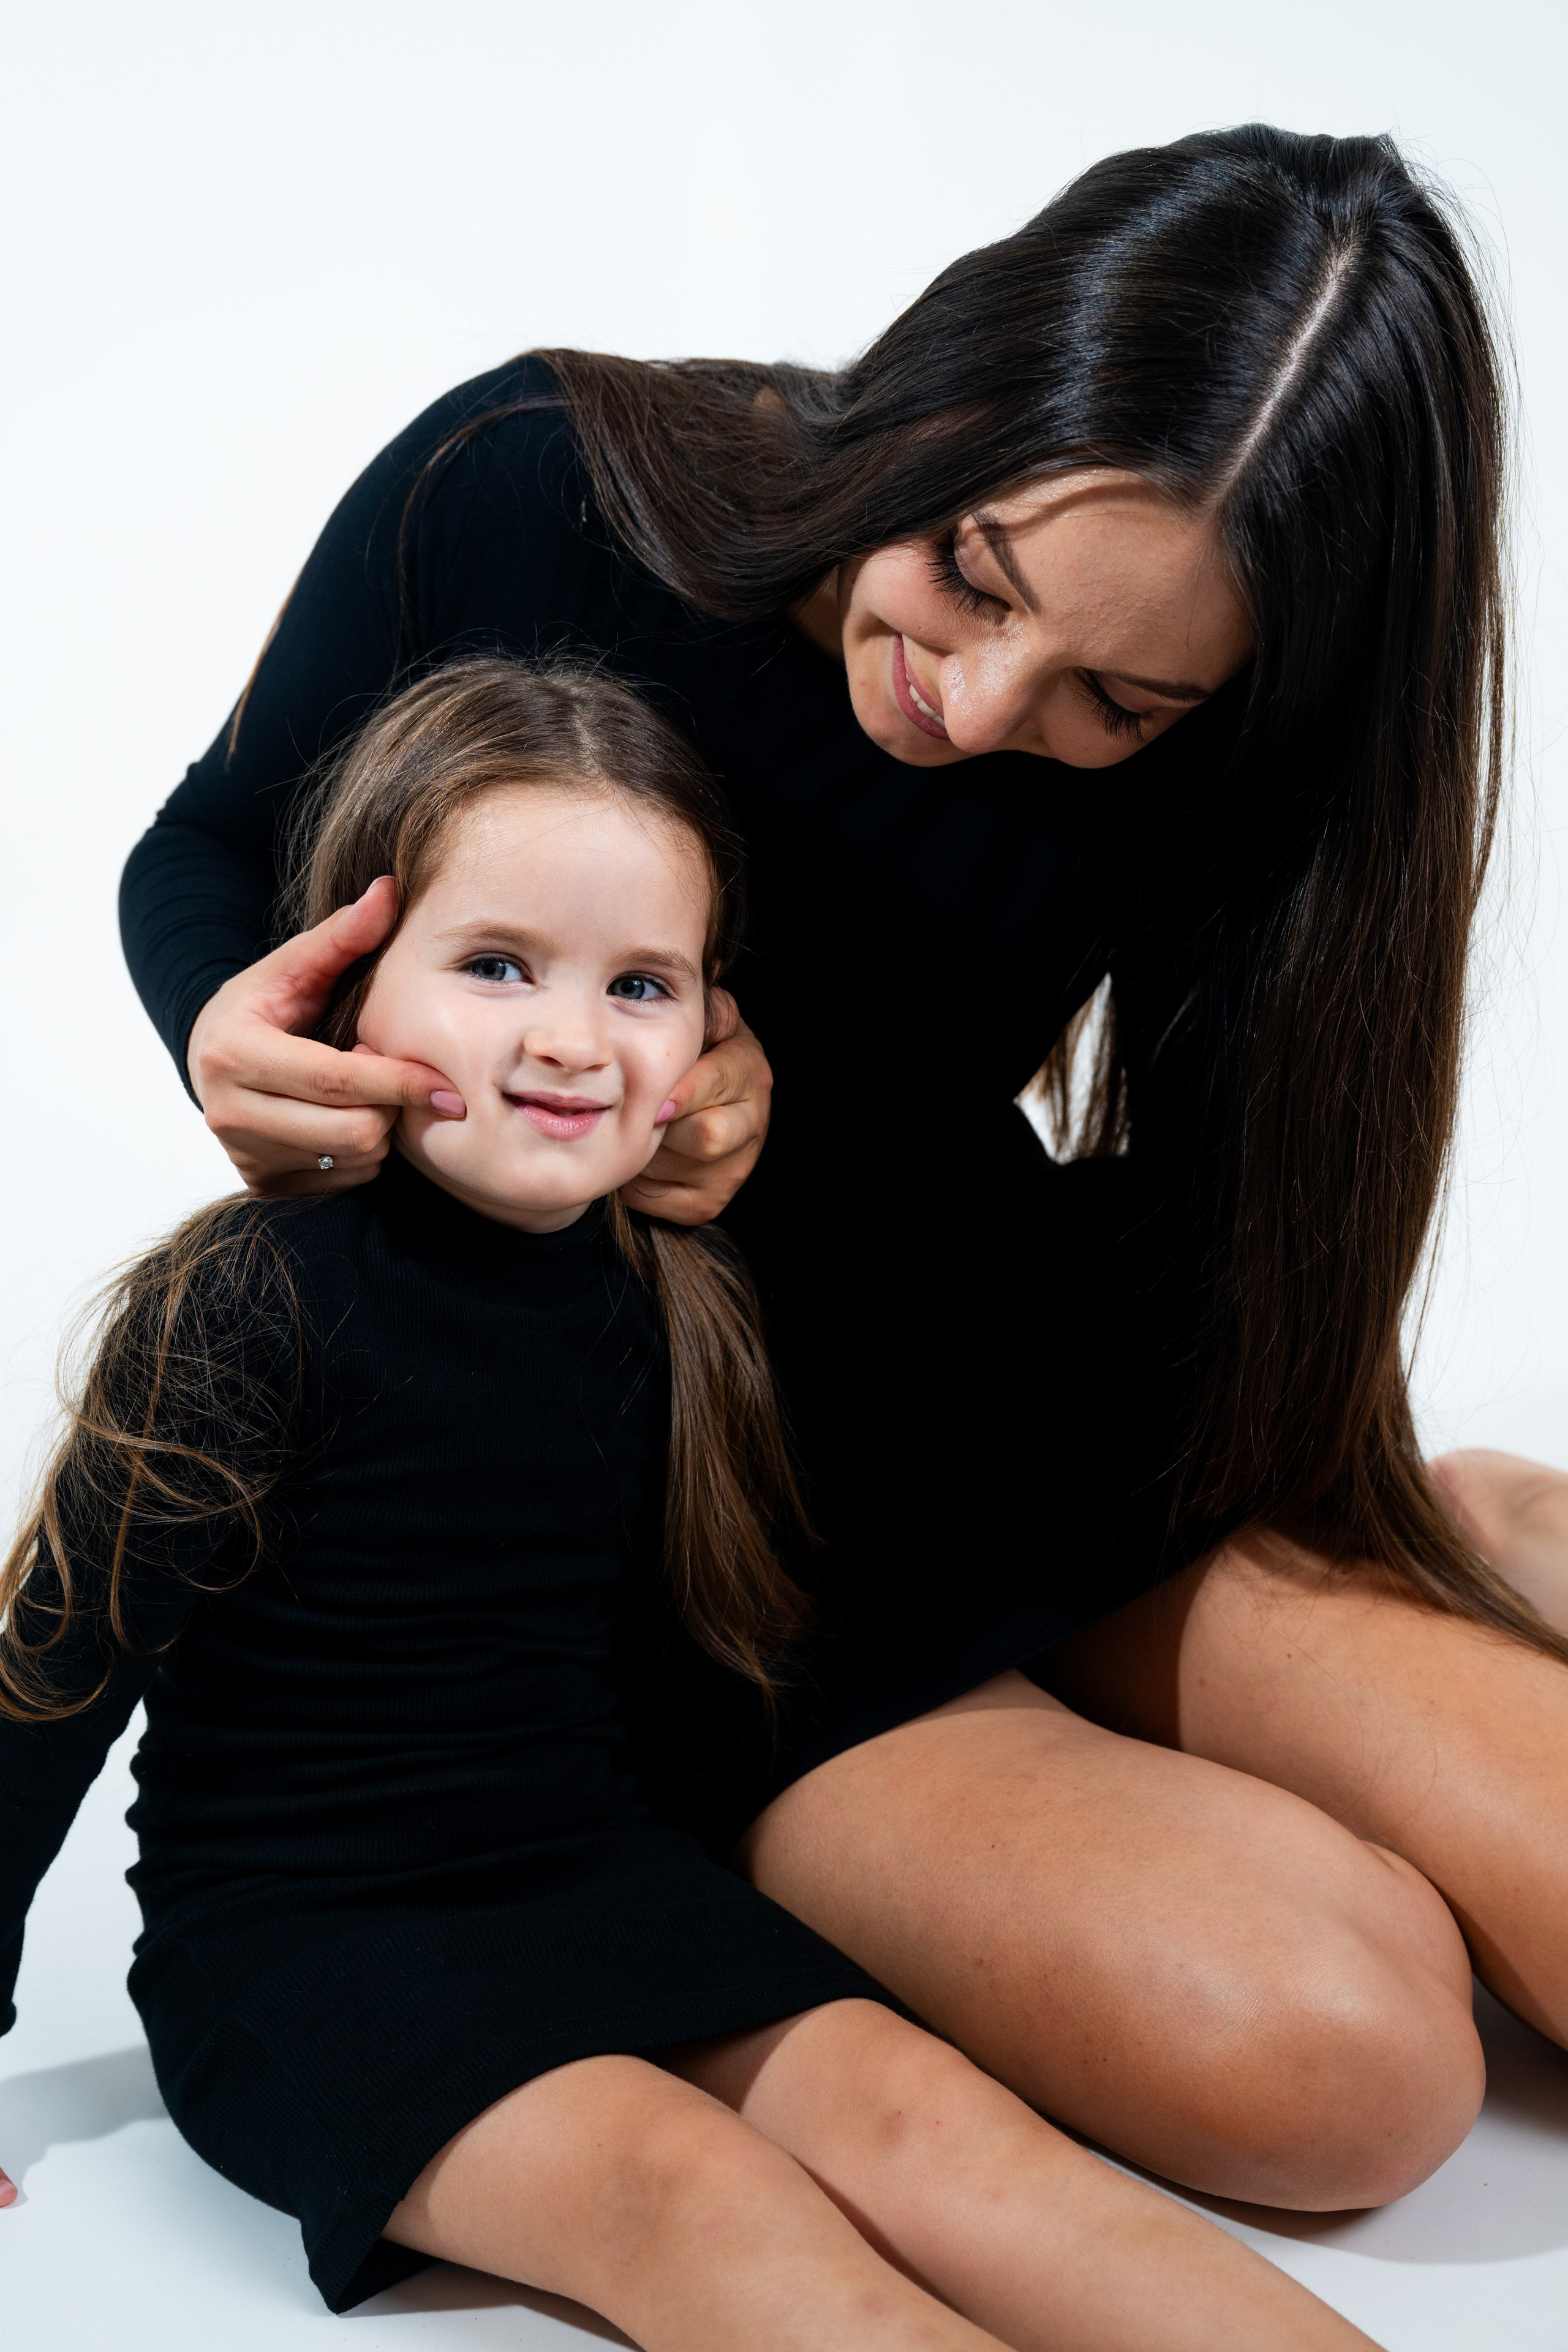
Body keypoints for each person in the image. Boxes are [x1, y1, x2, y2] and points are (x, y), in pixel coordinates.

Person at [108, 121, 1568, 2211]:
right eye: (974, 575)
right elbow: (206, 848)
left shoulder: (1242, 742)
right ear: (955, 371)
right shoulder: (533, 485)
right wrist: (229, 1031)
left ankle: (1430, 1512)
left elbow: (1183, 1186)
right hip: (679, 1551)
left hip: (1009, 1410)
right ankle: (1442, 1563)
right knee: (1357, 2078)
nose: (972, 707)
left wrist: (814, 1132)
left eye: (1114, 703)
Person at [0, 660, 1378, 2350]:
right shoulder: (247, 1304)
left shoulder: (672, 1296)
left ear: (707, 1039)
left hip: (590, 1874)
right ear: (350, 986)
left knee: (949, 2135)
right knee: (699, 2197)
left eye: (641, 984)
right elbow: (49, 1673)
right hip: (308, 1945)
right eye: (498, 966)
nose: (572, 1038)